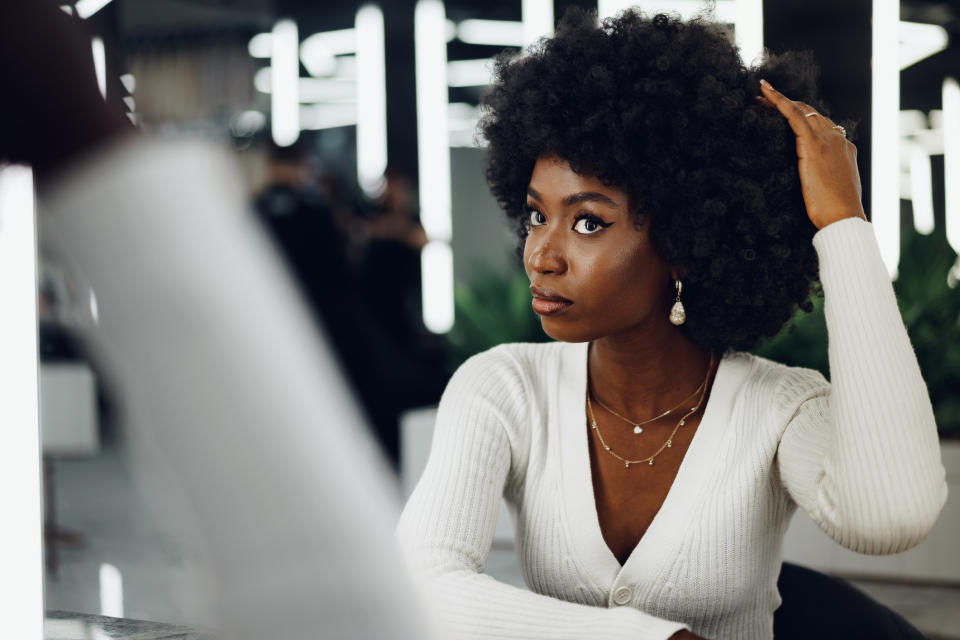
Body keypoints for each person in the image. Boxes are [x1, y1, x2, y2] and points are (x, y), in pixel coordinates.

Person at [397, 9, 947, 640]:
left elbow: (892, 517)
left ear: (686, 241)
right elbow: (421, 586)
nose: (540, 256)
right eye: (534, 215)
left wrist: (844, 229)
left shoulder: (779, 408)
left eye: (587, 223)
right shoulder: (503, 387)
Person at [1, 3, 433, 638]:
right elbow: (339, 611)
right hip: (333, 343)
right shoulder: (320, 217)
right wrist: (85, 145)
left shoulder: (273, 210)